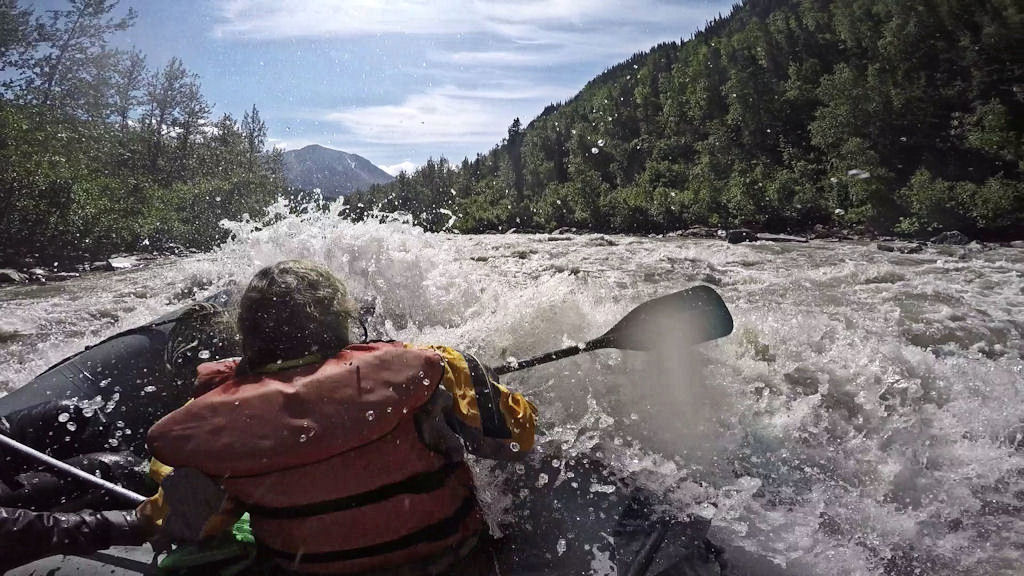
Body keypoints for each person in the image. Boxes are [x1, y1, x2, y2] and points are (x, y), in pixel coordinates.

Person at [147, 260, 538, 576]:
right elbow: (520, 440)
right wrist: (481, 383)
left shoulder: (215, 423)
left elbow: (187, 524)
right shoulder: (434, 367)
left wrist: (139, 518)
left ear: (248, 335)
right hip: (454, 563)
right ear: (338, 322)